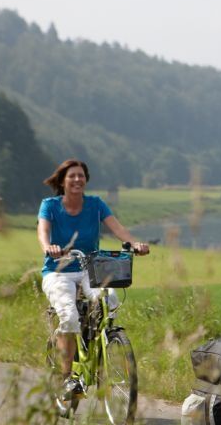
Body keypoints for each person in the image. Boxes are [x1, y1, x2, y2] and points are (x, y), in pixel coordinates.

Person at [37, 158, 149, 401]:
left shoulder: (96, 205)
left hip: (91, 268)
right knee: (69, 317)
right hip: (58, 270)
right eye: (72, 176)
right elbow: (43, 231)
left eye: (81, 175)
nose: (77, 179)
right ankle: (67, 378)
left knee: (110, 300)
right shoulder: (50, 205)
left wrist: (134, 244)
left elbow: (117, 229)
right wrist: (49, 247)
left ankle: (99, 350)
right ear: (62, 181)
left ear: (86, 180)